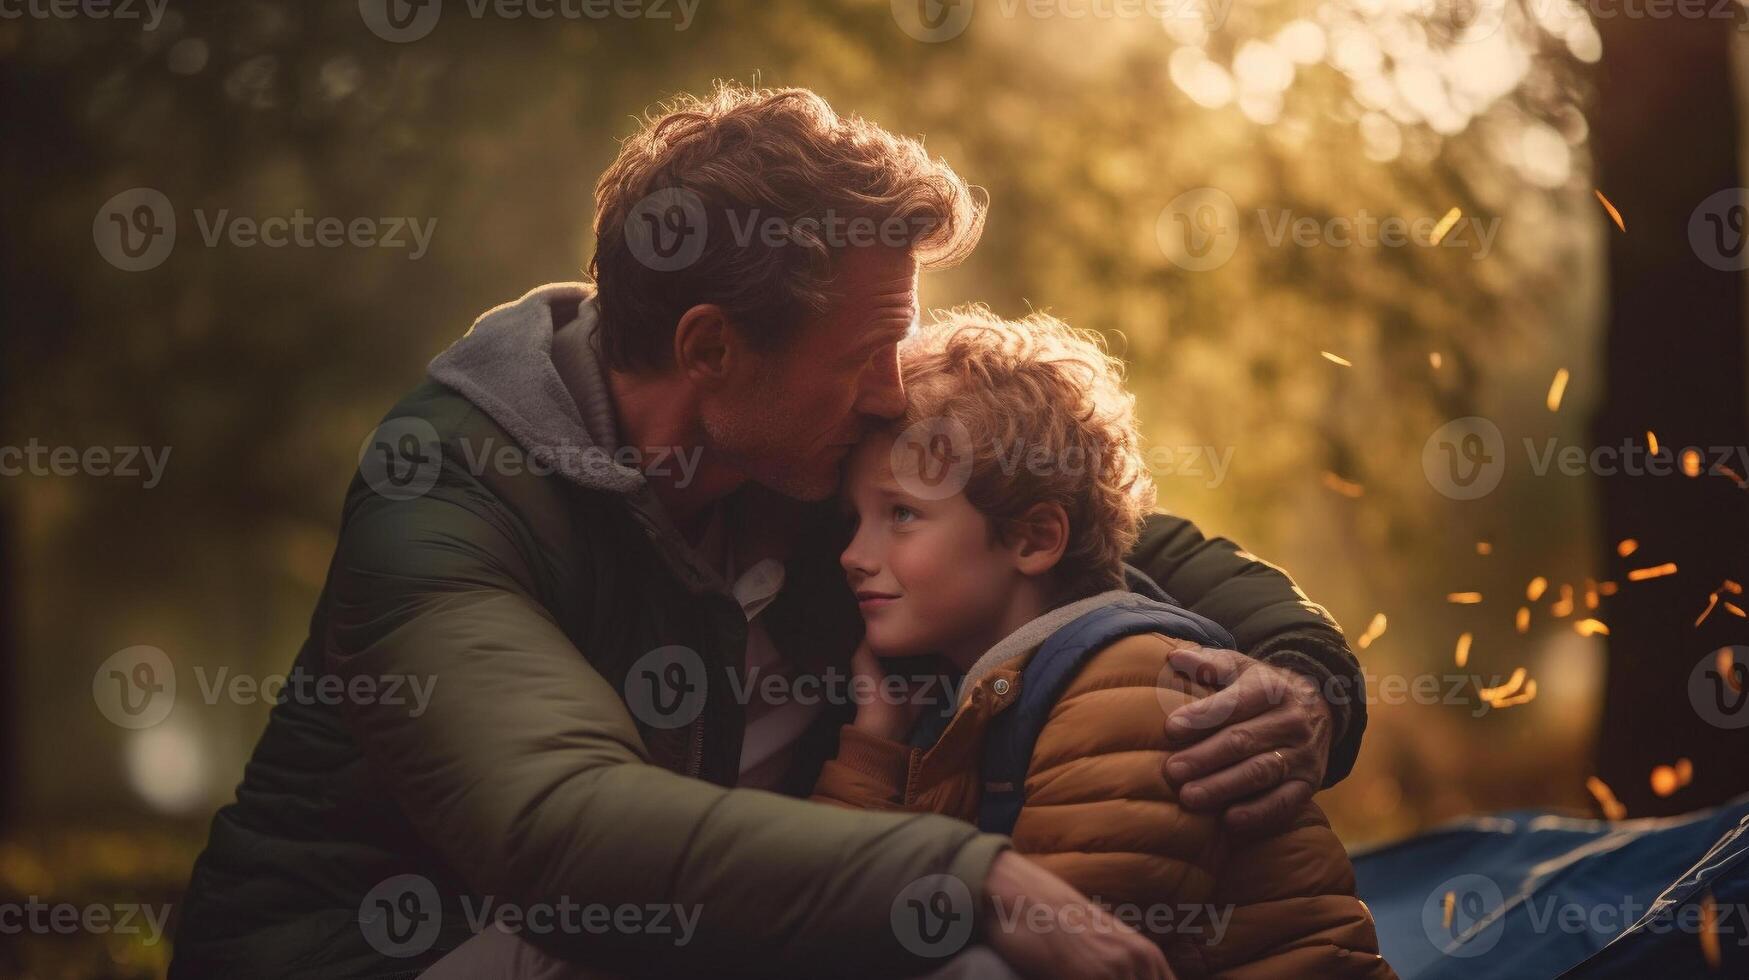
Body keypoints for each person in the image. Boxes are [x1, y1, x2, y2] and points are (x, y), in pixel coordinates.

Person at [170, 82, 1367, 979]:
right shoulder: (448, 492)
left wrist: (1305, 682)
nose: (894, 395)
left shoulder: (806, 454)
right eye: (862, 359)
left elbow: (1073, 519)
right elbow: (560, 828)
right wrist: (968, 875)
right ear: (709, 349)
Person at [816, 307, 1396, 979]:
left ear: (1034, 539)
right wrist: (874, 744)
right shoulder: (963, 689)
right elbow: (823, 912)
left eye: (902, 515)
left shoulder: (1130, 686)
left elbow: (1052, 953)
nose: (852, 555)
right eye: (854, 520)